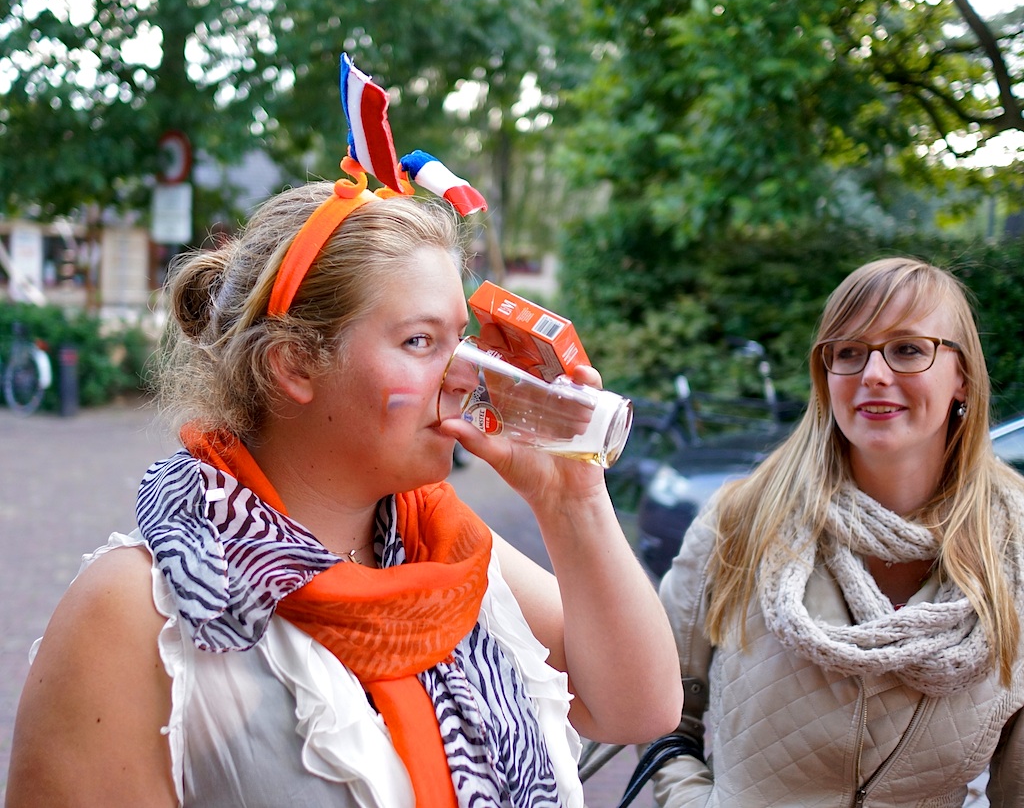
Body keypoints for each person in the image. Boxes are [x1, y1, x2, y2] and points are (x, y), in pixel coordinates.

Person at [6, 165, 682, 804]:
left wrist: (570, 501)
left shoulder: (447, 553)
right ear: (294, 364)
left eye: (460, 340)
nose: (465, 376)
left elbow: (638, 709)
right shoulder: (138, 612)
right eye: (420, 341)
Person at [652, 256, 1024, 806]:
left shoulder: (1014, 547)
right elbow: (658, 714)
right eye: (849, 352)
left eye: (908, 349)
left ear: (962, 377)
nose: (873, 374)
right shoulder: (741, 520)